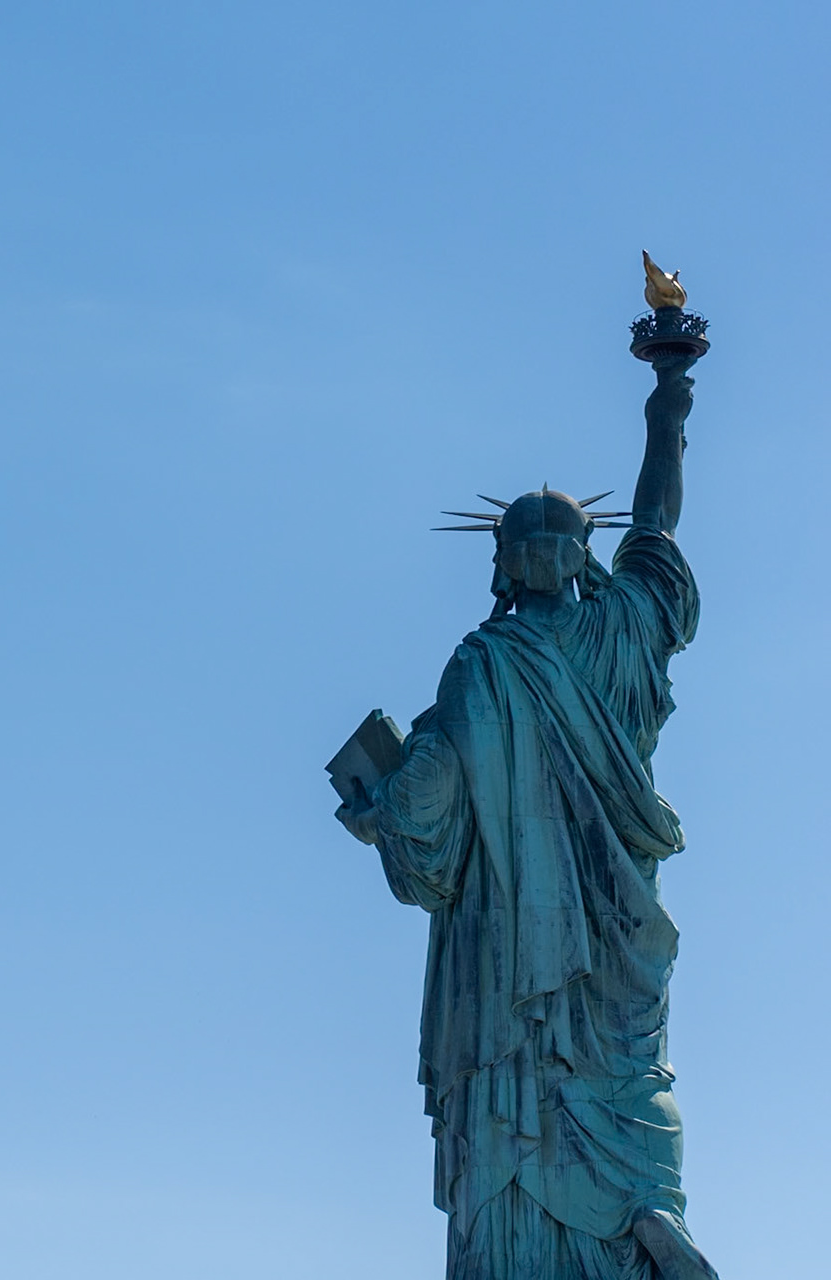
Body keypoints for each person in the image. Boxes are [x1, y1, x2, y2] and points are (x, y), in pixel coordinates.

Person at [335, 352, 720, 1280]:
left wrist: (373, 812)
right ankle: (642, 1208)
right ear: (587, 557)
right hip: (617, 932)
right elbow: (658, 517)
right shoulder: (628, 632)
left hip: (506, 966)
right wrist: (669, 399)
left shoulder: (480, 666)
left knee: (512, 1116)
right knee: (627, 1082)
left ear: (502, 565)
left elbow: (425, 824)